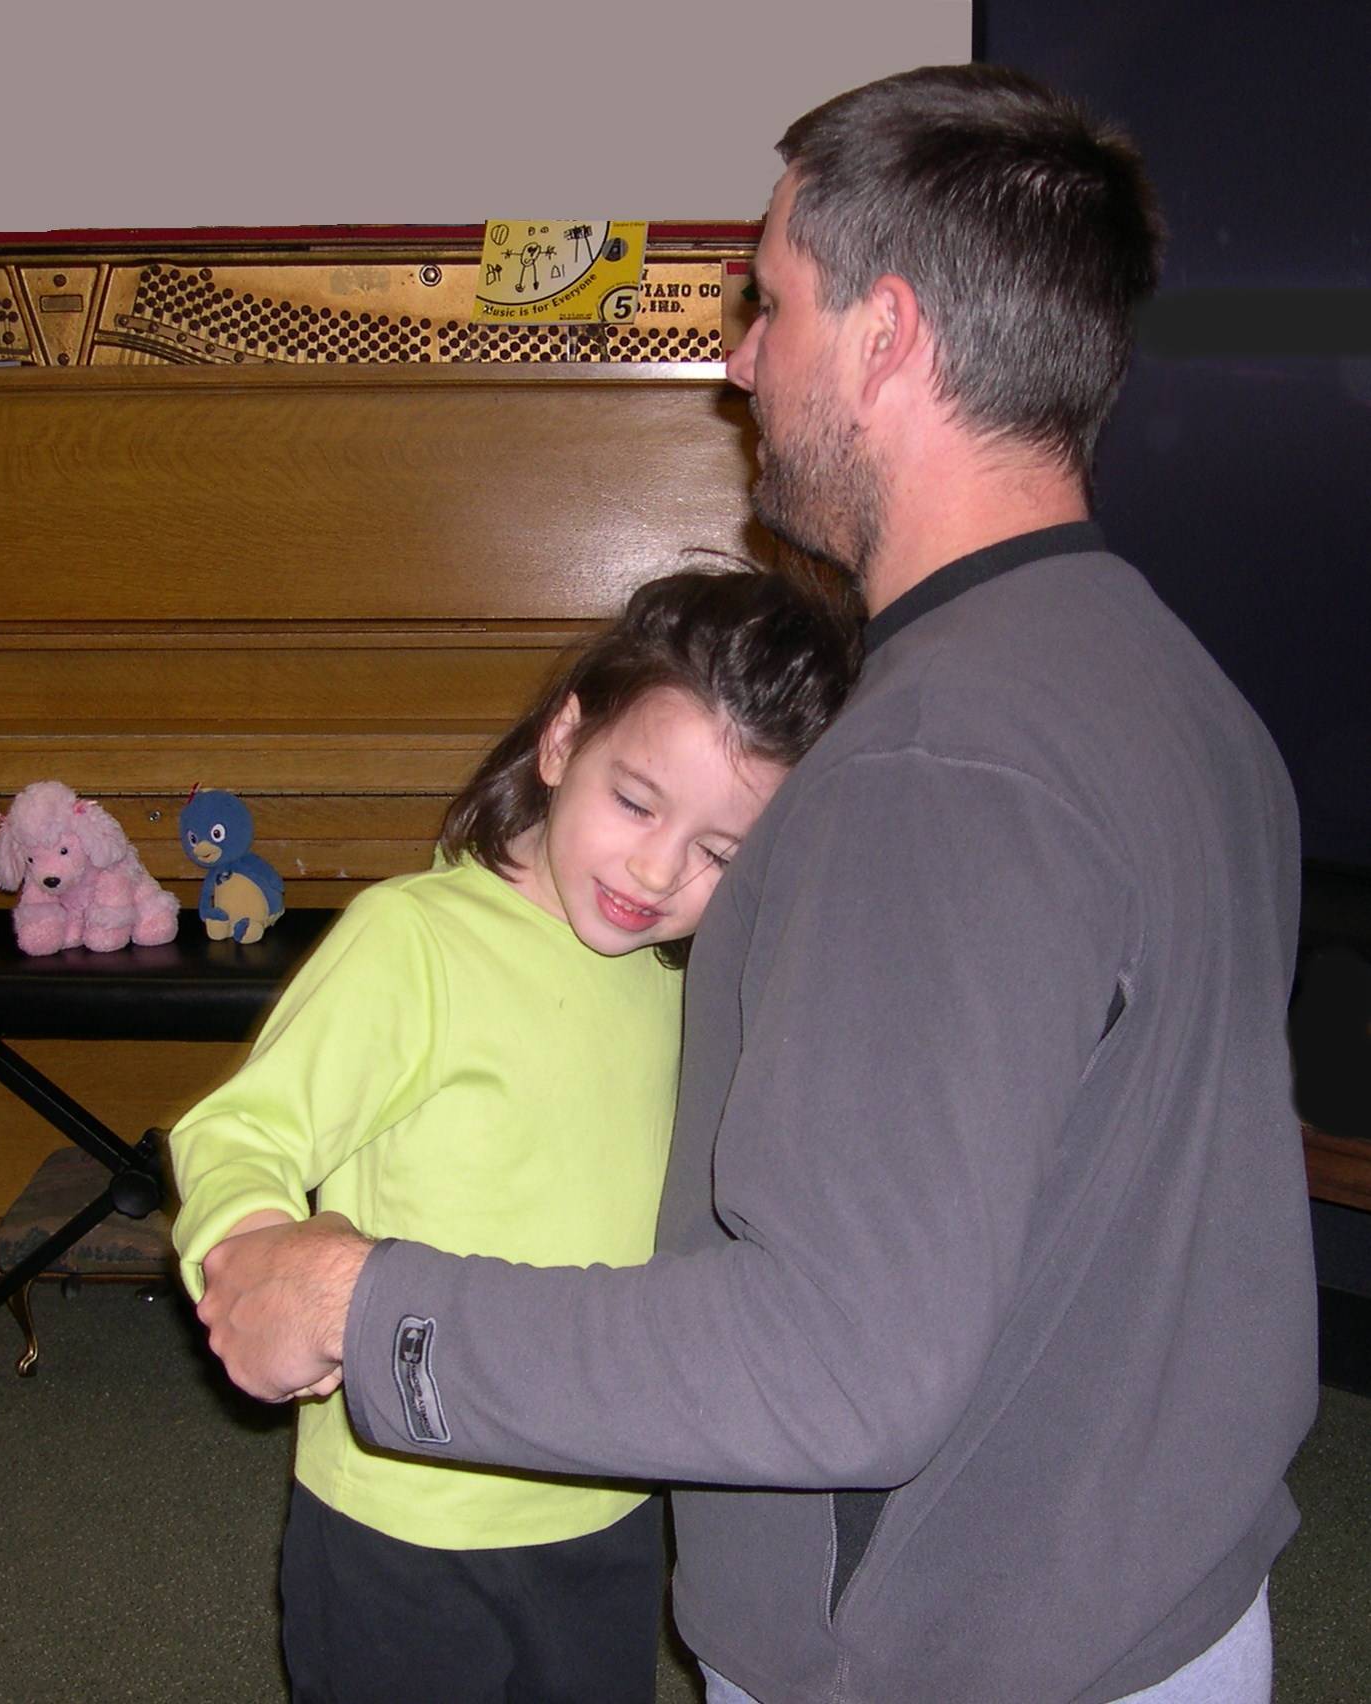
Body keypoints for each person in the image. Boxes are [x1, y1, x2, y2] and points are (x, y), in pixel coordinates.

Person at [193, 63, 1319, 1704]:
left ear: (887, 337)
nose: (739, 358)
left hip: (957, 1649)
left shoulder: (932, 766)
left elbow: (830, 1357)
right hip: (1165, 1591)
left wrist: (372, 1308)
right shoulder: (1177, 687)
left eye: (770, 304)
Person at [168, 565, 858, 1704]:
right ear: (559, 743)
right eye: (635, 803)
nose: (655, 870)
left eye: (718, 853)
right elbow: (238, 1131)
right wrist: (251, 1248)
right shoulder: (414, 943)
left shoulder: (680, 984)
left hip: (610, 1497)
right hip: (407, 1520)